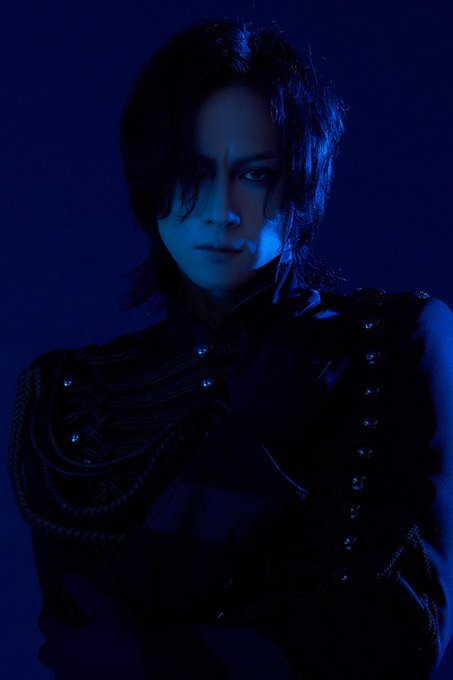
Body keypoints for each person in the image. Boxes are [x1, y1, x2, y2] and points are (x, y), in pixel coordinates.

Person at [8, 16, 453, 680]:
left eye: (255, 174)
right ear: (150, 177)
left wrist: (152, 655)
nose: (221, 208)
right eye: (192, 170)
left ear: (300, 184)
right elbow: (82, 644)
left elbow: (404, 635)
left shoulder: (394, 343)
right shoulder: (69, 396)